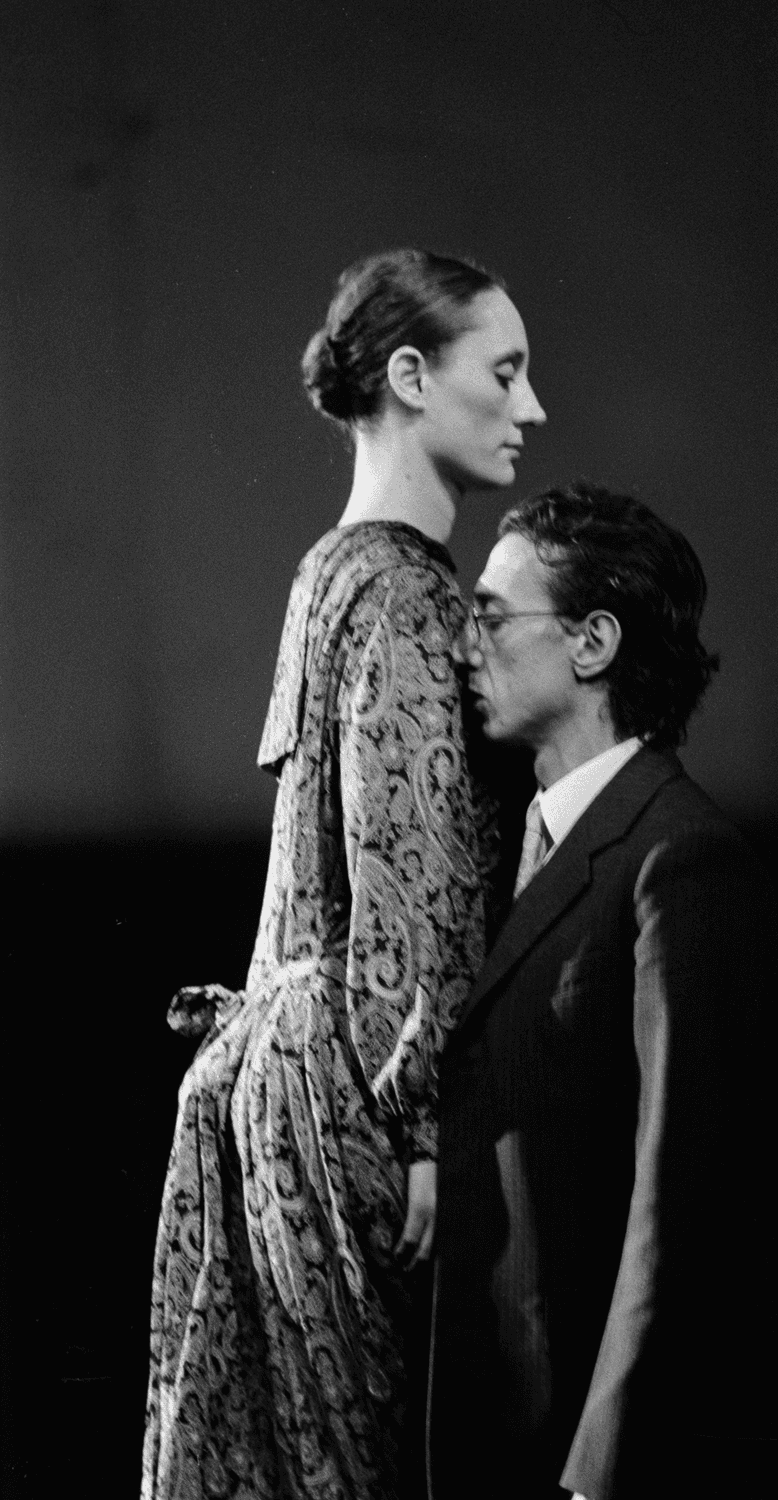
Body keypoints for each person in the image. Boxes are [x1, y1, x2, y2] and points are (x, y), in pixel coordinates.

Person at [141, 248, 546, 1500]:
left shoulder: (332, 572)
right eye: (507, 372)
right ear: (412, 378)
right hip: (349, 1095)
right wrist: (417, 1123)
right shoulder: (412, 600)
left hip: (275, 1077)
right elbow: (404, 875)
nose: (530, 410)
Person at [428, 483, 774, 1500]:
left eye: (490, 617)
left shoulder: (681, 861)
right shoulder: (514, 854)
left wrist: (599, 1477)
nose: (463, 646)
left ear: (590, 644)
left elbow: (679, 1211)